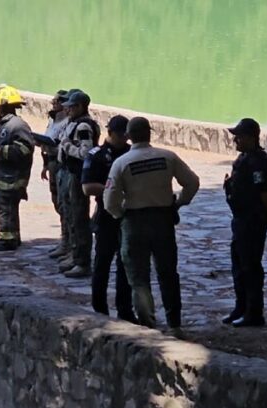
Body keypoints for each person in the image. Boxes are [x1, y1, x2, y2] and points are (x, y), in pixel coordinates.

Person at [104, 117, 200, 332]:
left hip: (134, 222)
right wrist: (179, 202)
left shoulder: (121, 163)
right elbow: (192, 182)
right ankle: (174, 323)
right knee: (168, 273)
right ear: (150, 134)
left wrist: (121, 215)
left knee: (138, 277)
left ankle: (148, 323)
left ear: (128, 136)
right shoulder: (167, 157)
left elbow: (110, 200)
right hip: (163, 220)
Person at [222, 118, 267, 328]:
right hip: (240, 218)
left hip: (252, 219)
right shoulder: (244, 158)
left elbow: (264, 193)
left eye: (238, 136)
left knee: (250, 266)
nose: (235, 141)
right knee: (238, 265)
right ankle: (240, 307)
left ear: (251, 137)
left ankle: (254, 312)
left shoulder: (259, 161)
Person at [81, 115, 137, 323]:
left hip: (128, 215)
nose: (125, 139)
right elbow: (87, 187)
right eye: (122, 135)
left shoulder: (133, 153)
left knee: (126, 264)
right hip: (106, 215)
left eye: (127, 135)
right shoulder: (96, 155)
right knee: (102, 263)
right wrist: (113, 189)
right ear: (111, 133)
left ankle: (125, 309)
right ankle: (100, 307)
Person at [56, 90, 100, 278]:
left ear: (81, 107)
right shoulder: (75, 123)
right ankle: (74, 255)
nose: (68, 110)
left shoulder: (83, 126)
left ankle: (82, 261)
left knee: (79, 217)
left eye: (72, 107)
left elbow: (85, 153)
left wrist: (66, 146)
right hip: (69, 172)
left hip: (77, 175)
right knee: (70, 215)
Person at [0, 85, 35, 251]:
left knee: (6, 209)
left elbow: (25, 149)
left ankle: (7, 240)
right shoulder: (6, 124)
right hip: (4, 176)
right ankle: (12, 236)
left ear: (4, 106)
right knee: (6, 209)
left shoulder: (17, 125)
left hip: (10, 178)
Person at [41, 90, 70, 259]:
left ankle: (68, 243)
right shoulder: (52, 119)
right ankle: (64, 239)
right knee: (57, 202)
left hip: (61, 164)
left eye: (57, 102)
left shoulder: (68, 122)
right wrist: (45, 164)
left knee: (65, 203)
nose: (54, 104)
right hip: (51, 162)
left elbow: (65, 145)